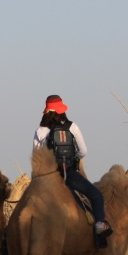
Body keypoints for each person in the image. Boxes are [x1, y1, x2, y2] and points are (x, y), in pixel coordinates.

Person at [33, 95, 113, 239]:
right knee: (96, 195)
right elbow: (83, 151)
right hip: (68, 173)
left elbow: (36, 156)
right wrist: (72, 158)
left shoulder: (40, 131)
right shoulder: (72, 127)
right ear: (62, 110)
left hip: (47, 177)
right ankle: (100, 225)